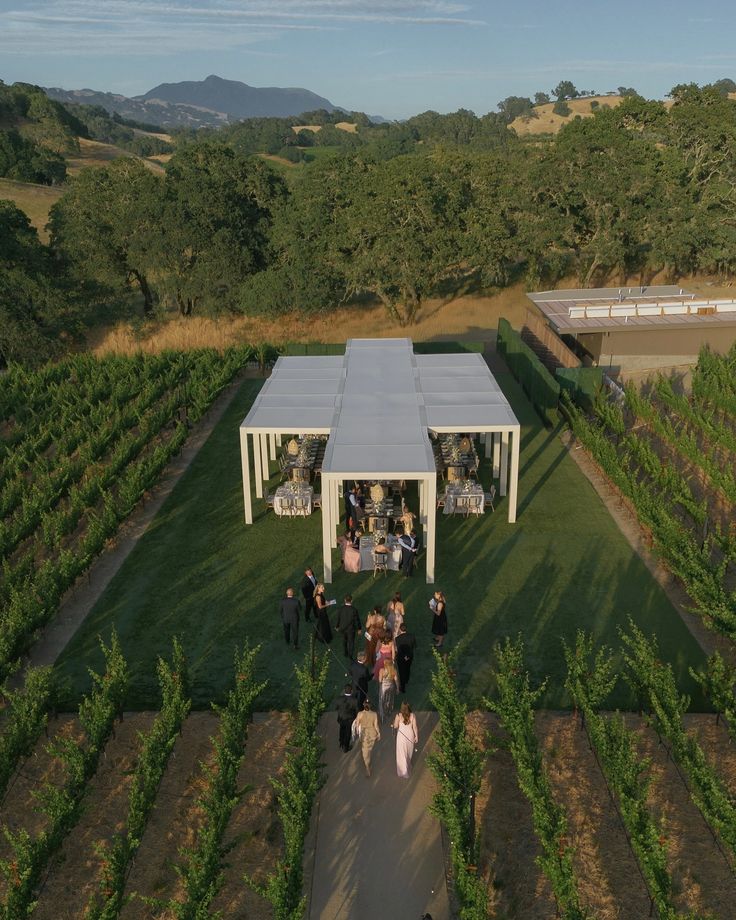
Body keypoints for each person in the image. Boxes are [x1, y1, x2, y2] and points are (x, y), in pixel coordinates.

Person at [355, 698, 380, 777]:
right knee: (369, 749)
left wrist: (357, 732)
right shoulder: (374, 714)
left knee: (365, 753)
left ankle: (367, 767)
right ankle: (368, 758)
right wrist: (379, 733)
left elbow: (357, 725)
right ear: (370, 705)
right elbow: (376, 725)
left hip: (364, 734)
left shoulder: (359, 714)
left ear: (363, 705)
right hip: (372, 734)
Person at [393, 702, 419, 778]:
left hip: (401, 737)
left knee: (402, 753)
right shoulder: (413, 715)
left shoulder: (398, 715)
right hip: (410, 736)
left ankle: (403, 772)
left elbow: (395, 726)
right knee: (409, 752)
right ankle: (407, 765)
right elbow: (415, 727)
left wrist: (393, 723)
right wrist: (416, 736)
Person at [335, 594, 361, 659]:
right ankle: (350, 655)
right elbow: (357, 620)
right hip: (351, 630)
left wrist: (337, 626)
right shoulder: (354, 610)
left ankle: (345, 653)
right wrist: (359, 629)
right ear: (351, 601)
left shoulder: (341, 609)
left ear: (345, 600)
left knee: (344, 641)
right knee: (351, 642)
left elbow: (338, 618)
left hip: (343, 629)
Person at [395, 622, 417, 693]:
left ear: (400, 629)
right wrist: (407, 656)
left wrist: (404, 656)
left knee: (401, 672)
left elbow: (399, 649)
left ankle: (403, 688)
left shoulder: (397, 639)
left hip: (401, 658)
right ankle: (407, 679)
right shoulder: (412, 636)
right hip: (409, 656)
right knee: (408, 668)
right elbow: (414, 646)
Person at [336, 684, 358, 754]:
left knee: (342, 729)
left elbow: (336, 707)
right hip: (349, 719)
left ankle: (341, 742)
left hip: (341, 718)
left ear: (344, 690)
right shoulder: (354, 700)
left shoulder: (339, 699)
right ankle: (346, 746)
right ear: (351, 691)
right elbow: (357, 710)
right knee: (348, 732)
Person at [377, 657, 399, 723]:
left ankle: (382, 715)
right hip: (391, 687)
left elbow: (380, 680)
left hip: (384, 687)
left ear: (385, 663)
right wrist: (397, 688)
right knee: (389, 700)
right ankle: (388, 712)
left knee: (382, 701)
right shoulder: (394, 670)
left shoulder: (382, 670)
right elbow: (396, 680)